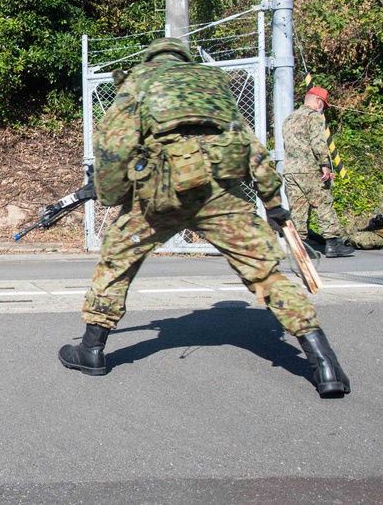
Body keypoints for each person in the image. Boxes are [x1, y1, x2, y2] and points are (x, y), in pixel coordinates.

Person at [59, 37, 350, 398]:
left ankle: (91, 350)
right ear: (184, 58)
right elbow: (250, 147)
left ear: (153, 58)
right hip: (217, 194)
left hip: (159, 196)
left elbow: (114, 144)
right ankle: (324, 363)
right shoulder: (212, 84)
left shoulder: (139, 81)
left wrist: (109, 194)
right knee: (264, 272)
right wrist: (273, 203)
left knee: (117, 260)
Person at [282, 86, 355, 258]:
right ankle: (332, 243)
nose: (323, 108)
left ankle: (301, 246)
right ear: (318, 101)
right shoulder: (314, 117)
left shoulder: (289, 119)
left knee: (298, 207)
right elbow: (318, 143)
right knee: (324, 203)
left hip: (291, 170)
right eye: (323, 104)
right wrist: (325, 165)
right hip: (309, 169)